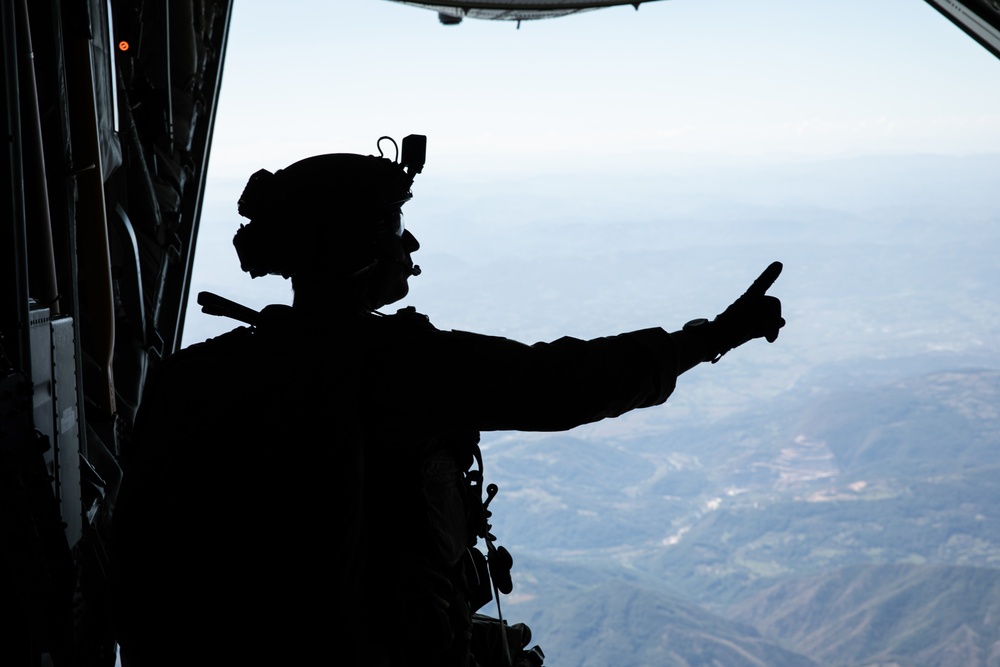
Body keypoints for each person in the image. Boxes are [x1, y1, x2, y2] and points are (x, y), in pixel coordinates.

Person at [110, 135, 784, 666]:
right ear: (350, 247)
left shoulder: (195, 376)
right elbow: (569, 381)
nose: (408, 243)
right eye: (389, 225)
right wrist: (712, 337)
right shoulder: (404, 367)